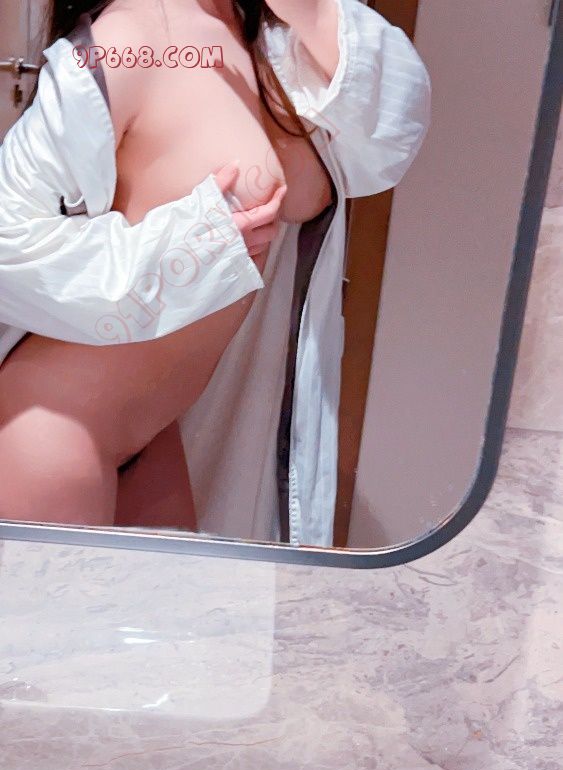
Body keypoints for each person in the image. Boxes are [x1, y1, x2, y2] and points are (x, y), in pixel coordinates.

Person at [0, 0, 431, 546]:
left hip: (154, 432)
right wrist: (189, 249)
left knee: (191, 605)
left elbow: (392, 127)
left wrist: (313, 12)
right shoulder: (131, 36)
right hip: (55, 428)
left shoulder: (268, 40)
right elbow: (8, 241)